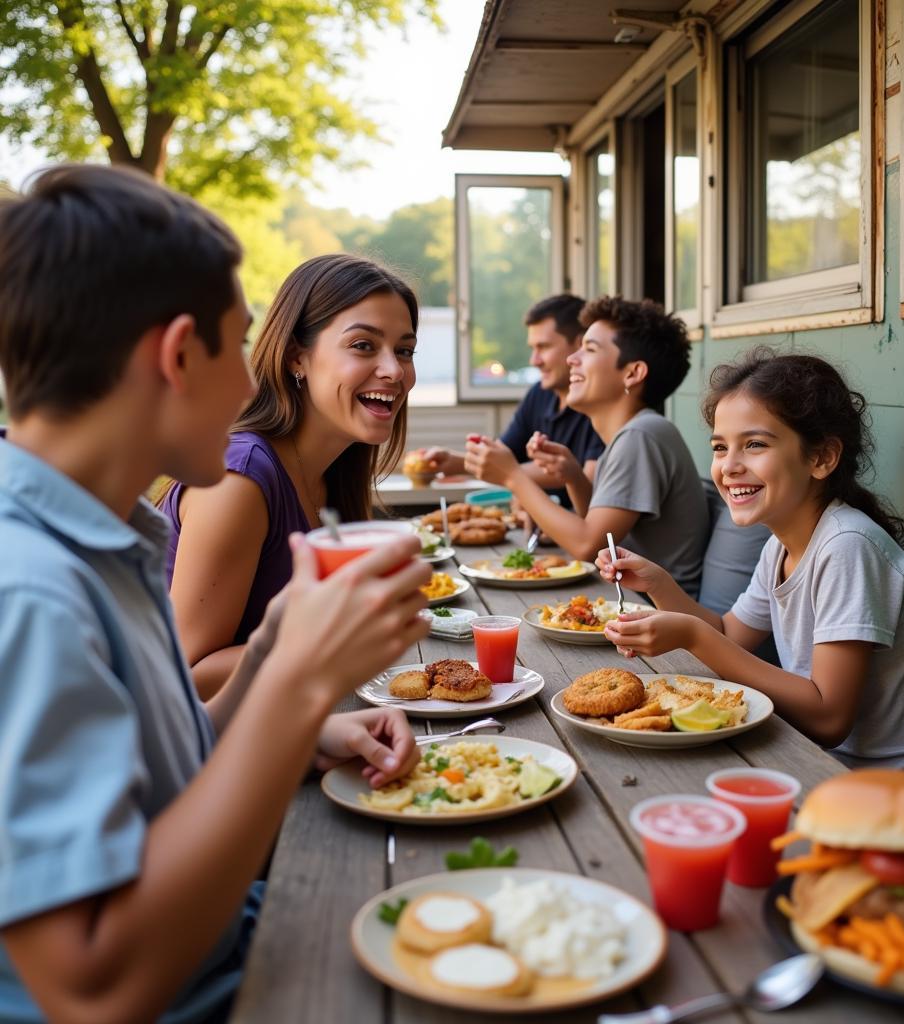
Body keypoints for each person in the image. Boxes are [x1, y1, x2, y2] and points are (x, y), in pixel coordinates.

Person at [0, 164, 430, 1023]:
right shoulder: (30, 593)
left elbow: (174, 763)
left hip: (242, 938)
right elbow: (94, 992)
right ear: (175, 355)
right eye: (239, 346)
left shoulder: (109, 538)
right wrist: (300, 683)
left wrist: (286, 672)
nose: (248, 382)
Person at [599, 348, 904, 770]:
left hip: (893, 782)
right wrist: (659, 585)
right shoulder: (781, 544)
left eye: (754, 444)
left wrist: (694, 636)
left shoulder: (847, 547)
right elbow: (730, 634)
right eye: (719, 447)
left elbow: (828, 718)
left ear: (821, 458)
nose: (729, 466)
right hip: (819, 757)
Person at [159, 254, 418, 698]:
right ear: (298, 356)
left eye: (405, 351)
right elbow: (184, 676)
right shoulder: (238, 480)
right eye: (363, 345)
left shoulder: (337, 470)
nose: (394, 370)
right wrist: (337, 635)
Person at [465, 296, 709, 597]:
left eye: (590, 349)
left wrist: (512, 477)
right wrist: (574, 477)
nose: (572, 359)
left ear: (632, 373)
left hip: (659, 622)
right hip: (629, 604)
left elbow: (587, 544)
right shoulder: (631, 435)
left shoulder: (641, 436)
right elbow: (601, 531)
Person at [424, 293, 604, 511]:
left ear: (579, 345)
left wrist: (507, 472)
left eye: (544, 347)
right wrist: (458, 462)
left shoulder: (601, 404)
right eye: (532, 348)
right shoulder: (540, 393)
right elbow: (501, 457)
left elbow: (589, 487)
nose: (534, 360)